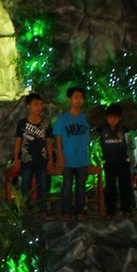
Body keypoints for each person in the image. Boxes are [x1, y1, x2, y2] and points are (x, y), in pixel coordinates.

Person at [53, 86, 91, 219]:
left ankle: (80, 211)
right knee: (67, 187)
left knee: (81, 187)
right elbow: (58, 138)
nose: (78, 100)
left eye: (81, 97)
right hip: (67, 159)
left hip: (82, 158)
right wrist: (60, 156)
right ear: (69, 99)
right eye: (75, 97)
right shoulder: (62, 119)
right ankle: (66, 212)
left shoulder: (87, 119)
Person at [12, 93, 54, 214]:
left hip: (42, 160)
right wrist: (16, 158)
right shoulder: (22, 123)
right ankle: (25, 211)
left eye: (40, 104)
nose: (39, 107)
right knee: (25, 186)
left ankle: (42, 211)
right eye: (35, 104)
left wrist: (51, 159)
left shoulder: (46, 123)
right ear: (28, 106)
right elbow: (18, 141)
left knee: (42, 186)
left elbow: (49, 142)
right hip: (26, 160)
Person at [98, 103, 133, 217]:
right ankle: (110, 211)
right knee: (110, 188)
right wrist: (102, 108)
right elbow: (91, 116)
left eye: (115, 117)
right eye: (110, 117)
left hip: (123, 161)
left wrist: (122, 105)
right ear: (106, 118)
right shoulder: (102, 129)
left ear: (119, 118)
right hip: (109, 163)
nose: (112, 120)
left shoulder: (124, 128)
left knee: (125, 186)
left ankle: (126, 209)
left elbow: (136, 117)